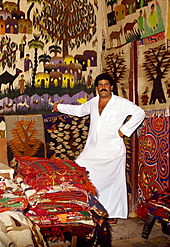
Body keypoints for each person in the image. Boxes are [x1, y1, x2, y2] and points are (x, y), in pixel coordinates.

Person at [52, 73, 145, 223]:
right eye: (100, 85)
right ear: (97, 88)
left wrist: (124, 131)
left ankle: (112, 214)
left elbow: (139, 113)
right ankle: (89, 207)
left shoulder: (121, 103)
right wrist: (59, 107)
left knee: (114, 183)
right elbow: (79, 110)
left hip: (113, 150)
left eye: (106, 84)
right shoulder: (94, 102)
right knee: (79, 168)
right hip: (93, 148)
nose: (103, 87)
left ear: (111, 87)